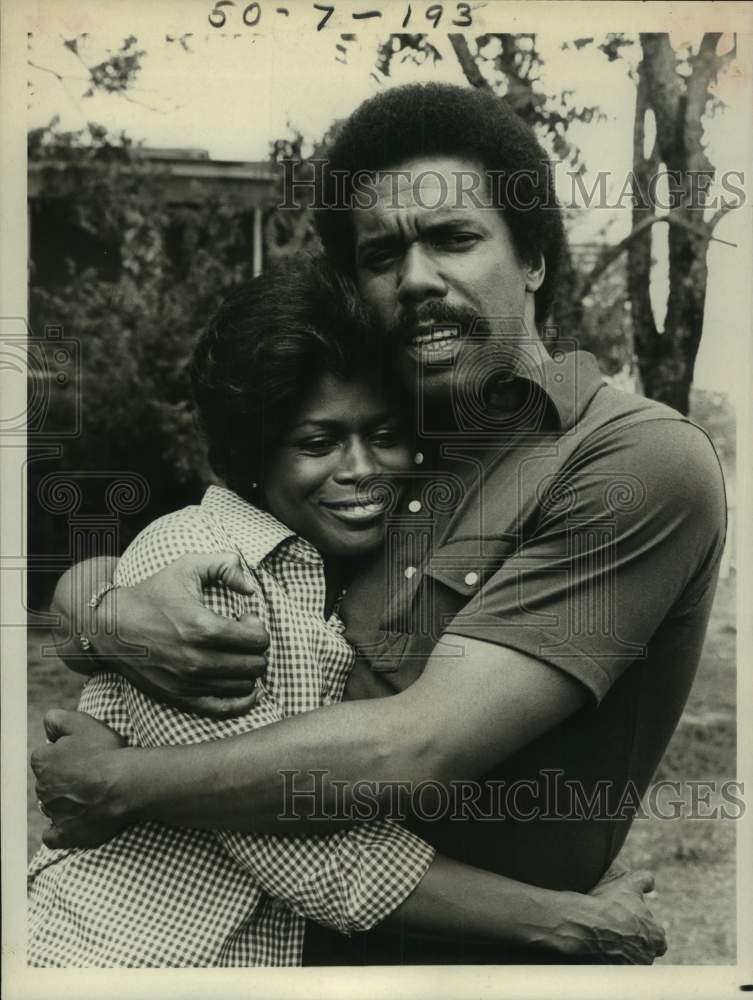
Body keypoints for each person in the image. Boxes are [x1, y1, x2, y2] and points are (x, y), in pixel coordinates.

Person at [33, 83, 725, 965]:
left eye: (453, 239)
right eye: (381, 254)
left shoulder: (630, 462)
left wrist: (123, 783)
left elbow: (416, 748)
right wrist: (103, 612)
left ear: (535, 258)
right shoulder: (379, 445)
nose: (417, 279)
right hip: (266, 950)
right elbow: (194, 540)